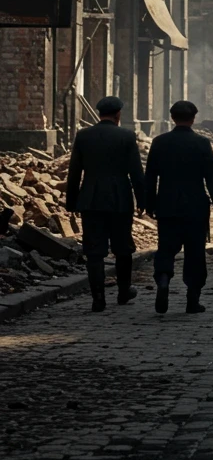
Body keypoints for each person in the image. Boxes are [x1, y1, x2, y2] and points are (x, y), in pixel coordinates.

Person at [145, 100, 213, 315]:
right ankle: (192, 301)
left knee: (166, 248)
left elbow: (150, 176)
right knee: (195, 253)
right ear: (193, 118)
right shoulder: (202, 143)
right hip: (195, 207)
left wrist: (149, 203)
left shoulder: (159, 142)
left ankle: (163, 280)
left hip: (167, 204)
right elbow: (212, 179)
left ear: (172, 117)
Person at [65, 96, 145, 313]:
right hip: (120, 198)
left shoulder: (83, 136)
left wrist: (71, 201)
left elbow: (74, 172)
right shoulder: (126, 136)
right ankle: (123, 291)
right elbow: (136, 172)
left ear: (100, 114)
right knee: (123, 247)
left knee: (94, 251)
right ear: (118, 114)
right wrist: (143, 199)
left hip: (90, 199)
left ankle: (98, 298)